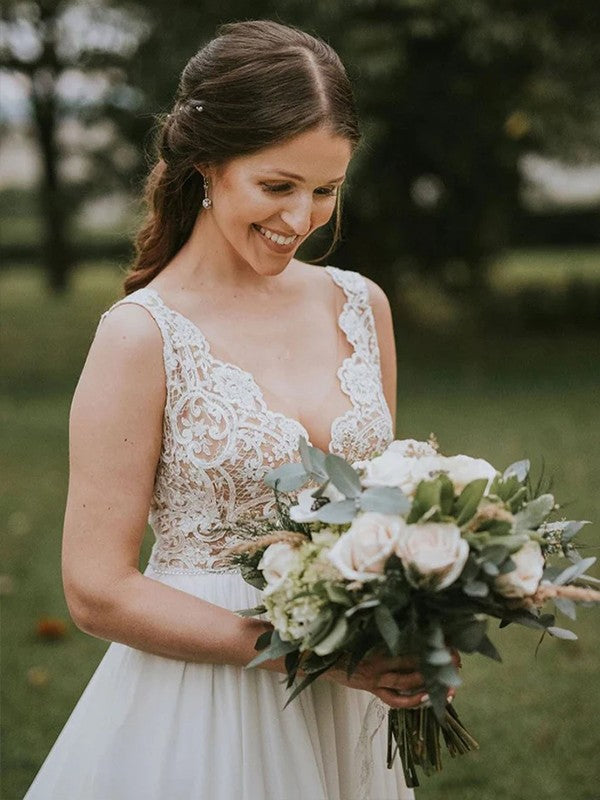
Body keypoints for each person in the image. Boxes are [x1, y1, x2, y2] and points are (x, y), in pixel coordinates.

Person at [25, 19, 454, 800]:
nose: (301, 219)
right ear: (207, 165)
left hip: (346, 703)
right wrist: (308, 653)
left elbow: (378, 505)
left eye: (326, 190)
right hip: (205, 703)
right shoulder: (141, 336)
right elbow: (96, 589)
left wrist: (417, 615)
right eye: (277, 186)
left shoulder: (362, 306)